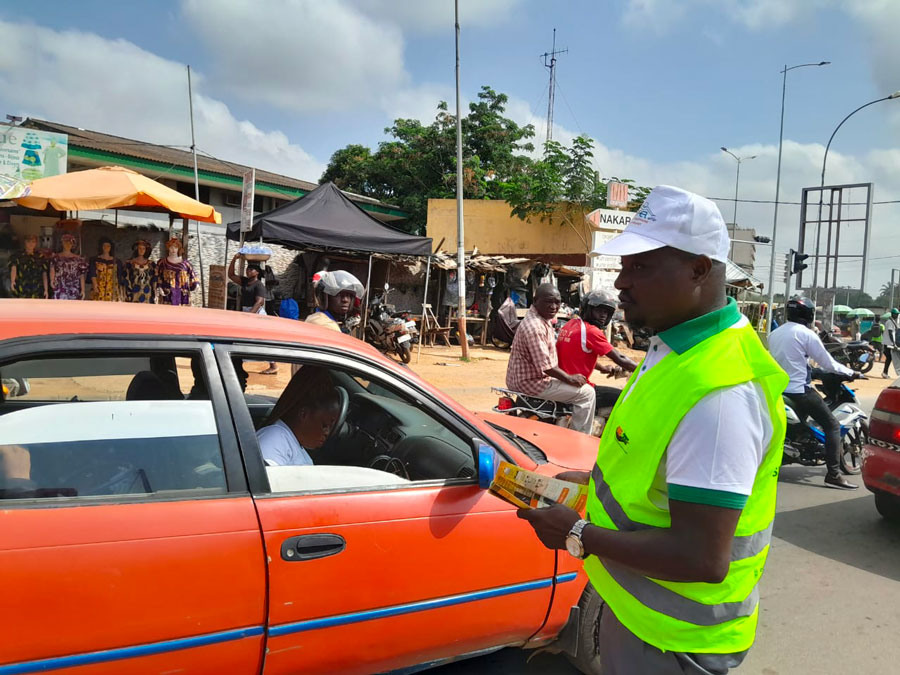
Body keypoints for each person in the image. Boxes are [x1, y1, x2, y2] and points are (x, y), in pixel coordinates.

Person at [517, 185, 788, 674]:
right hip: (637, 614)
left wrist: (577, 533)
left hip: (673, 641)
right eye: (624, 265)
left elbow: (700, 558)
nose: (621, 282)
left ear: (699, 269)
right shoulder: (674, 349)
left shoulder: (720, 392)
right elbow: (652, 467)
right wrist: (589, 485)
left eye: (640, 266)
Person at [769, 297, 859, 489]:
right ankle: (834, 474)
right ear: (808, 315)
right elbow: (828, 362)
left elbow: (790, 360)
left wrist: (813, 371)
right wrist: (851, 372)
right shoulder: (806, 334)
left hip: (779, 389)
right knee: (832, 425)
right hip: (799, 391)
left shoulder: (775, 333)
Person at [506, 283, 596, 434]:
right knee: (587, 394)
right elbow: (546, 367)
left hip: (526, 379)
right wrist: (570, 378)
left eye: (557, 302)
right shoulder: (535, 326)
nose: (554, 307)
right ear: (535, 301)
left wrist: (602, 367)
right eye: (548, 302)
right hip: (532, 383)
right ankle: (580, 437)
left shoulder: (543, 319)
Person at [556, 289, 638, 410]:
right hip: (577, 387)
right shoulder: (591, 331)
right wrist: (642, 369)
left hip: (562, 382)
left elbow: (577, 356)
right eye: (599, 310)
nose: (603, 315)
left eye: (606, 312)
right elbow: (620, 358)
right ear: (587, 309)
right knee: (625, 397)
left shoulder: (571, 324)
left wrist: (602, 368)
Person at [256, 366, 341, 467]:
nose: (327, 433)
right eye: (325, 425)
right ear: (304, 414)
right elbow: (263, 476)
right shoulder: (274, 438)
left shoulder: (291, 440)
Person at [228, 254, 277, 374]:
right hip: (248, 312)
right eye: (248, 269)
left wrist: (249, 316)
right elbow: (231, 275)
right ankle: (238, 363)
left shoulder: (259, 285)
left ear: (257, 273)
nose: (248, 271)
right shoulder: (245, 282)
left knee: (264, 339)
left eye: (251, 269)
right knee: (243, 338)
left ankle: (273, 366)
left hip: (256, 314)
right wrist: (234, 259)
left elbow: (259, 302)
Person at [305, 270, 364, 334]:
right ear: (324, 297)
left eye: (349, 295)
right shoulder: (326, 325)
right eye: (338, 294)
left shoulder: (318, 318)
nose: (345, 300)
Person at [883, 308, 899, 378]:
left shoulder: (891, 321)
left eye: (897, 314)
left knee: (889, 358)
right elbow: (890, 332)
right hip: (888, 343)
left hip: (888, 342)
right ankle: (885, 373)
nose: (897, 316)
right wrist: (894, 343)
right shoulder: (890, 322)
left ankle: (885, 372)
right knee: (889, 358)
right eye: (896, 314)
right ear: (893, 314)